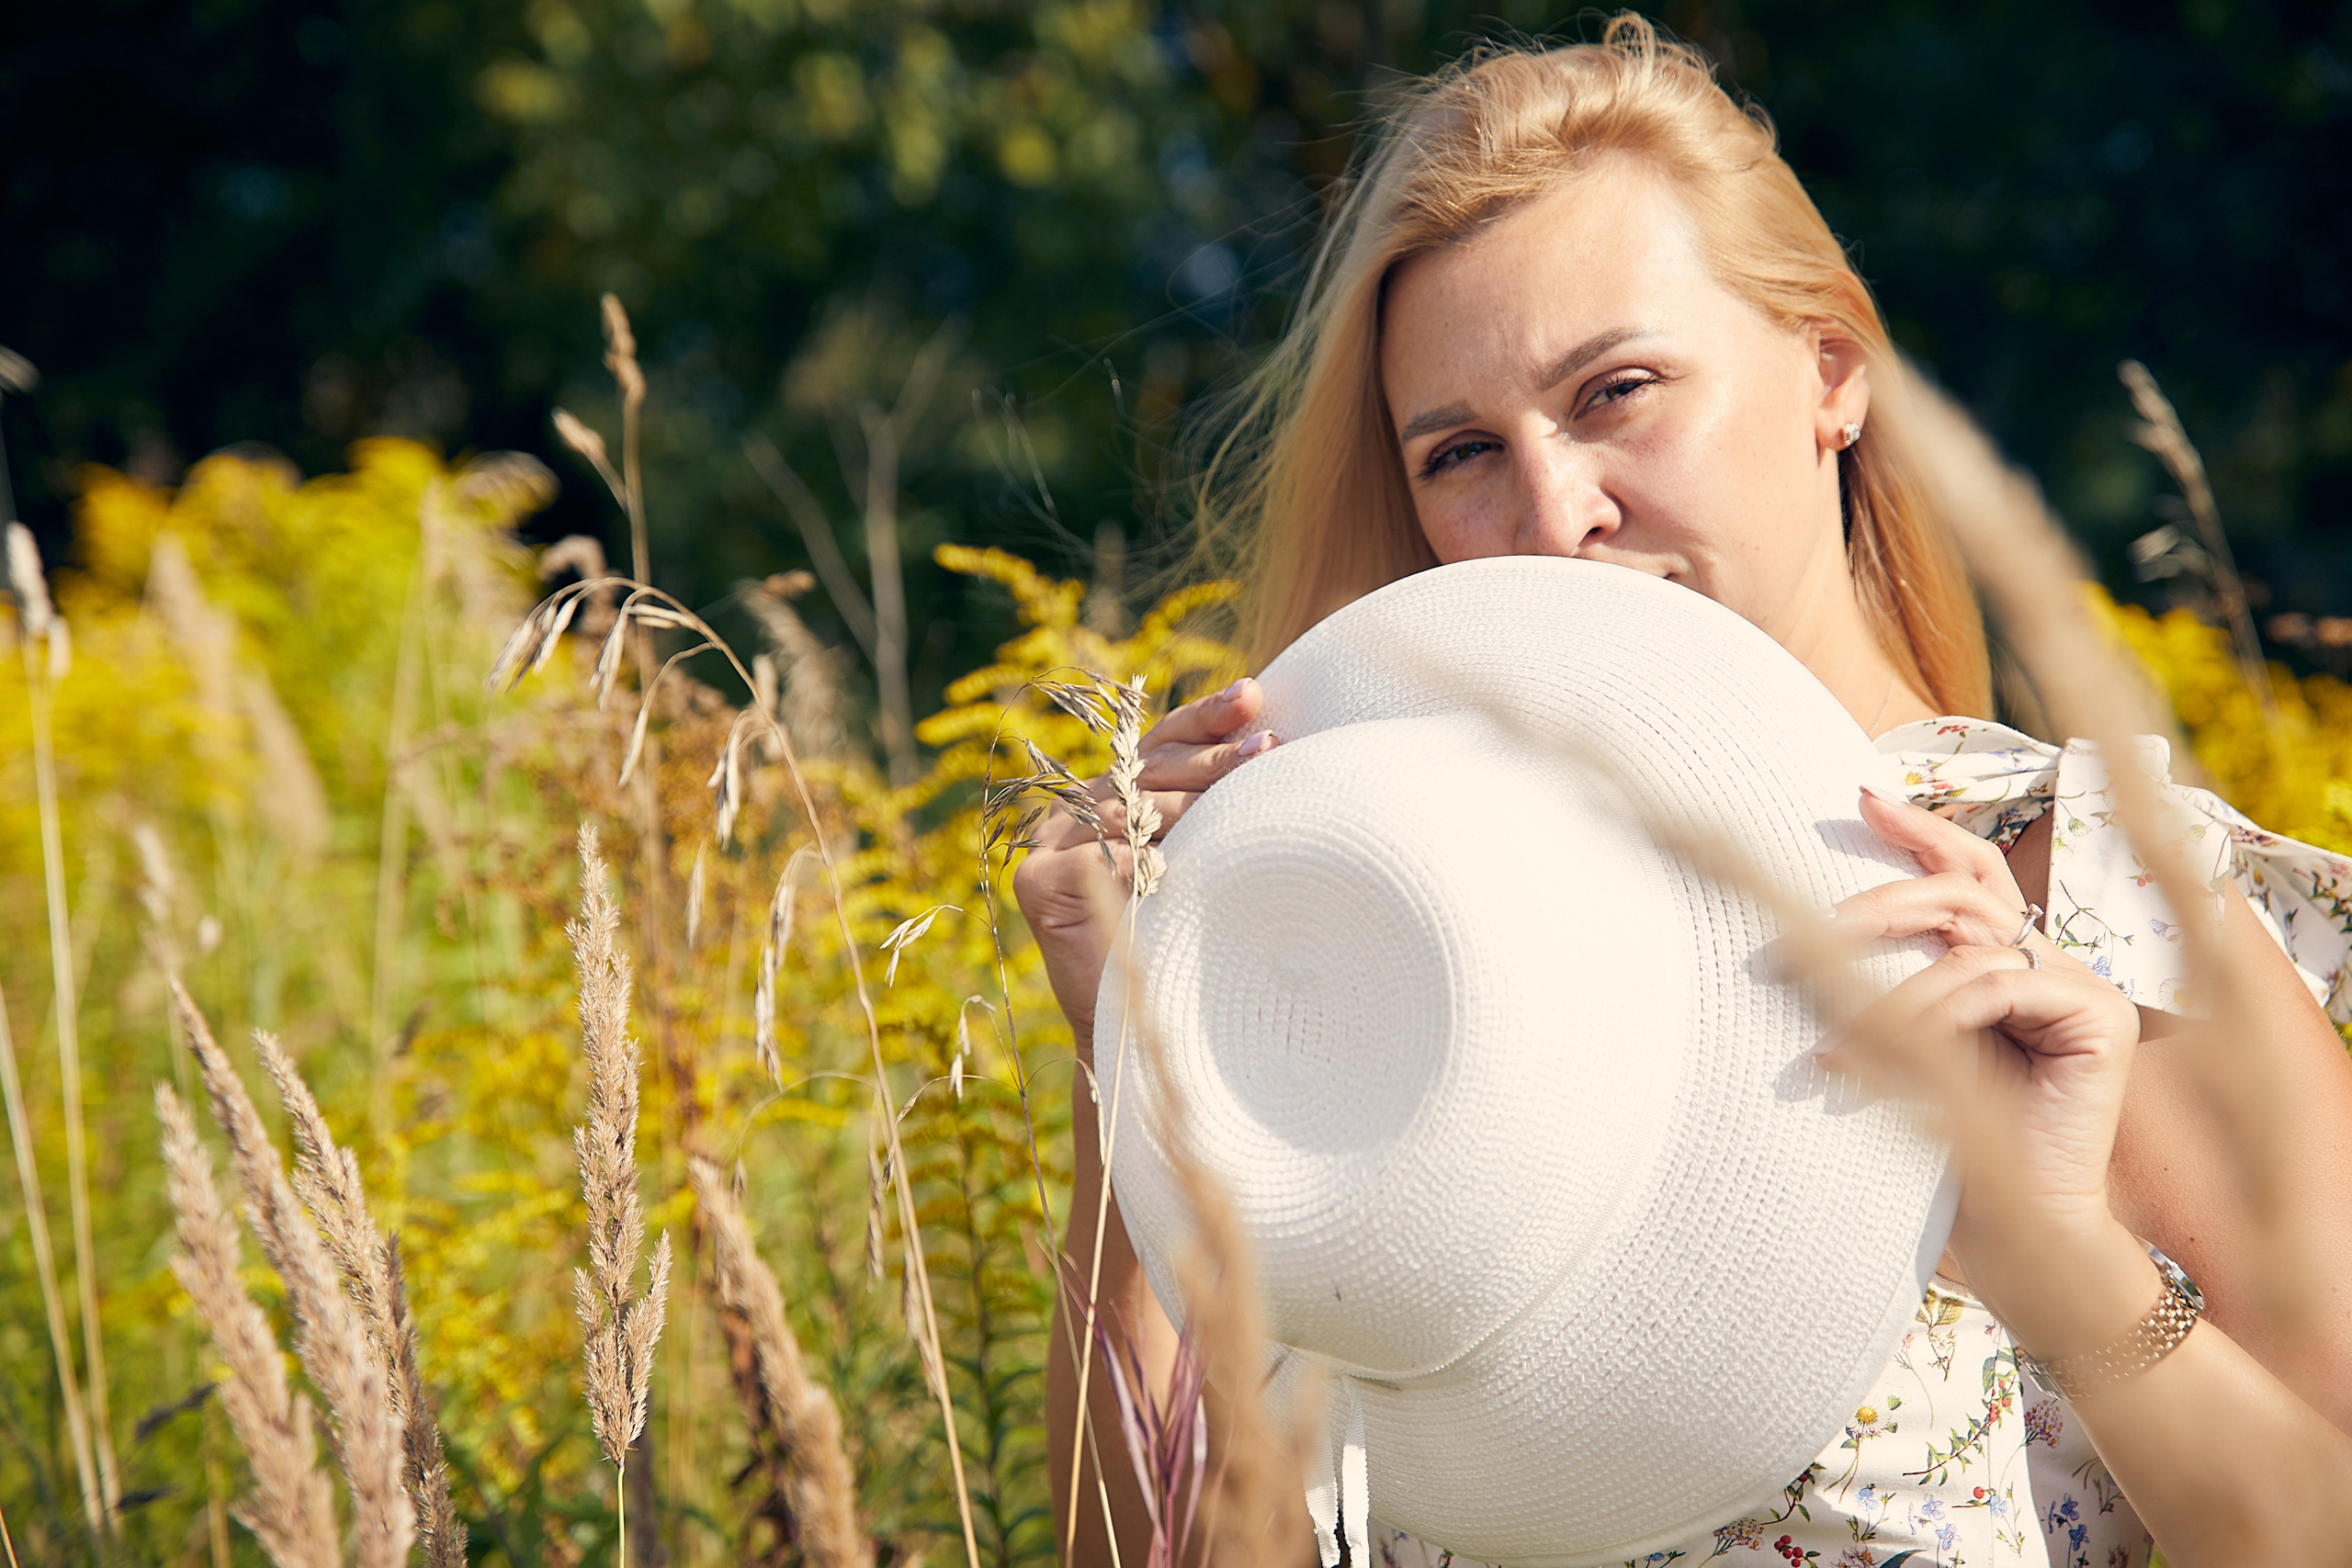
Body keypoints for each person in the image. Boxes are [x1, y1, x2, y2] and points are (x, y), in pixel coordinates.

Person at [1013, 17, 2352, 1566]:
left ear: (1830, 376)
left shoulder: (2077, 891)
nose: (1552, 511)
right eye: (1458, 453)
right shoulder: (1395, 916)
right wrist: (1143, 1051)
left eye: (1618, 391)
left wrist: (2062, 1261)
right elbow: (1151, 1555)